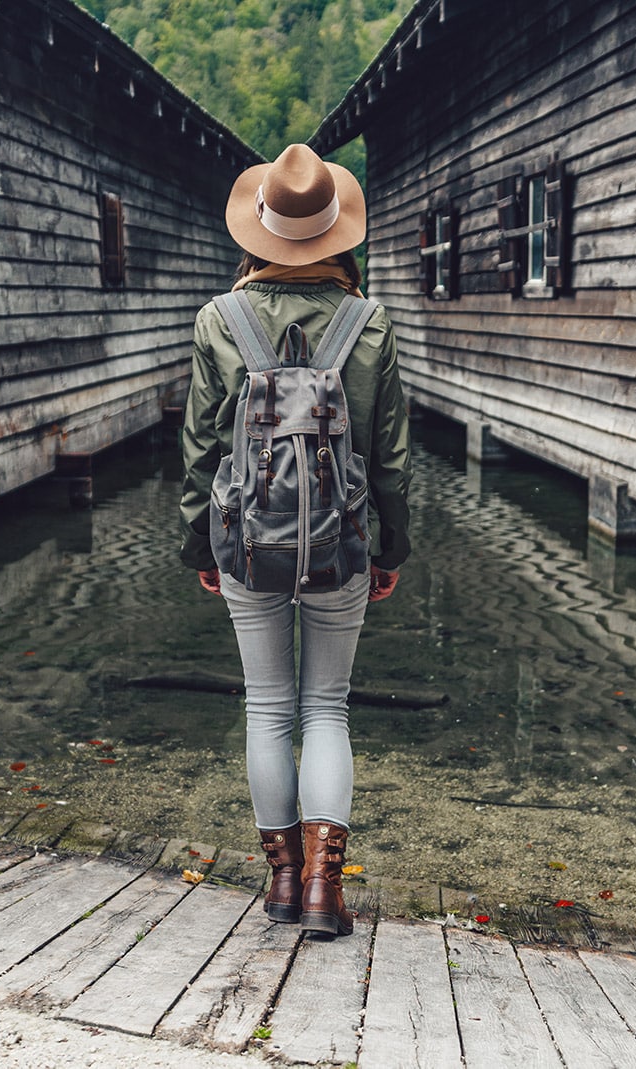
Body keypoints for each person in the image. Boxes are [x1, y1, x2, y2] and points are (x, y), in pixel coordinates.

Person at [178, 144, 412, 937]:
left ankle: (279, 883)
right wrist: (392, 549)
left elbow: (198, 450)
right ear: (337, 233)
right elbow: (391, 458)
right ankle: (324, 890)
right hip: (342, 543)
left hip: (245, 541)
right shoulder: (368, 323)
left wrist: (198, 548)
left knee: (269, 705)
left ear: (259, 230)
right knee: (328, 706)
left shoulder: (221, 319)